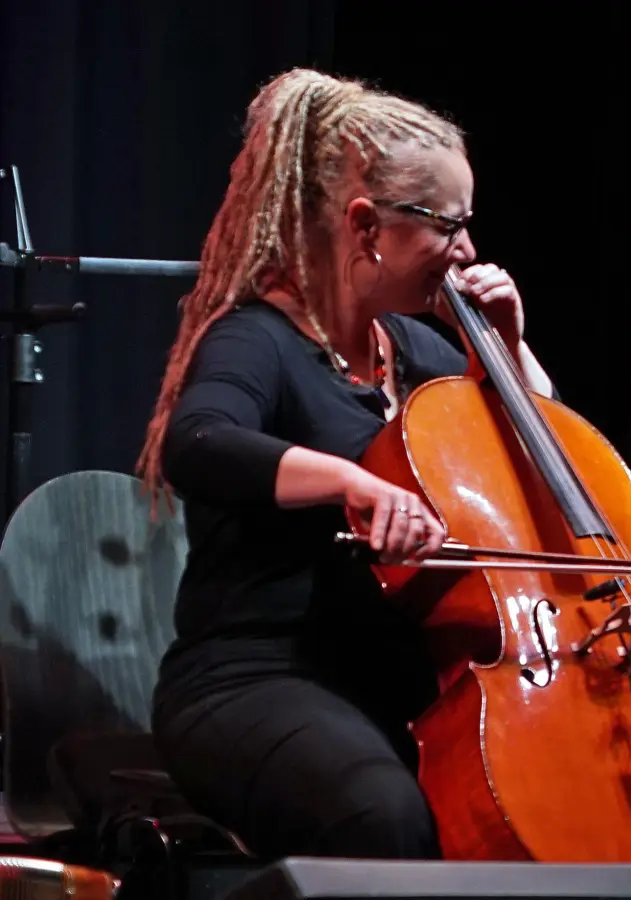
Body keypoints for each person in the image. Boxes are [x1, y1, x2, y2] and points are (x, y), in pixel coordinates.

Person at [136, 68, 554, 860]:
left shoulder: (423, 354)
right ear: (367, 227)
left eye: (468, 225)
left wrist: (507, 349)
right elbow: (198, 443)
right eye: (446, 225)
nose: (466, 250)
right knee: (384, 820)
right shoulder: (258, 339)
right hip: (255, 680)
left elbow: (555, 464)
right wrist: (352, 482)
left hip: (397, 684)